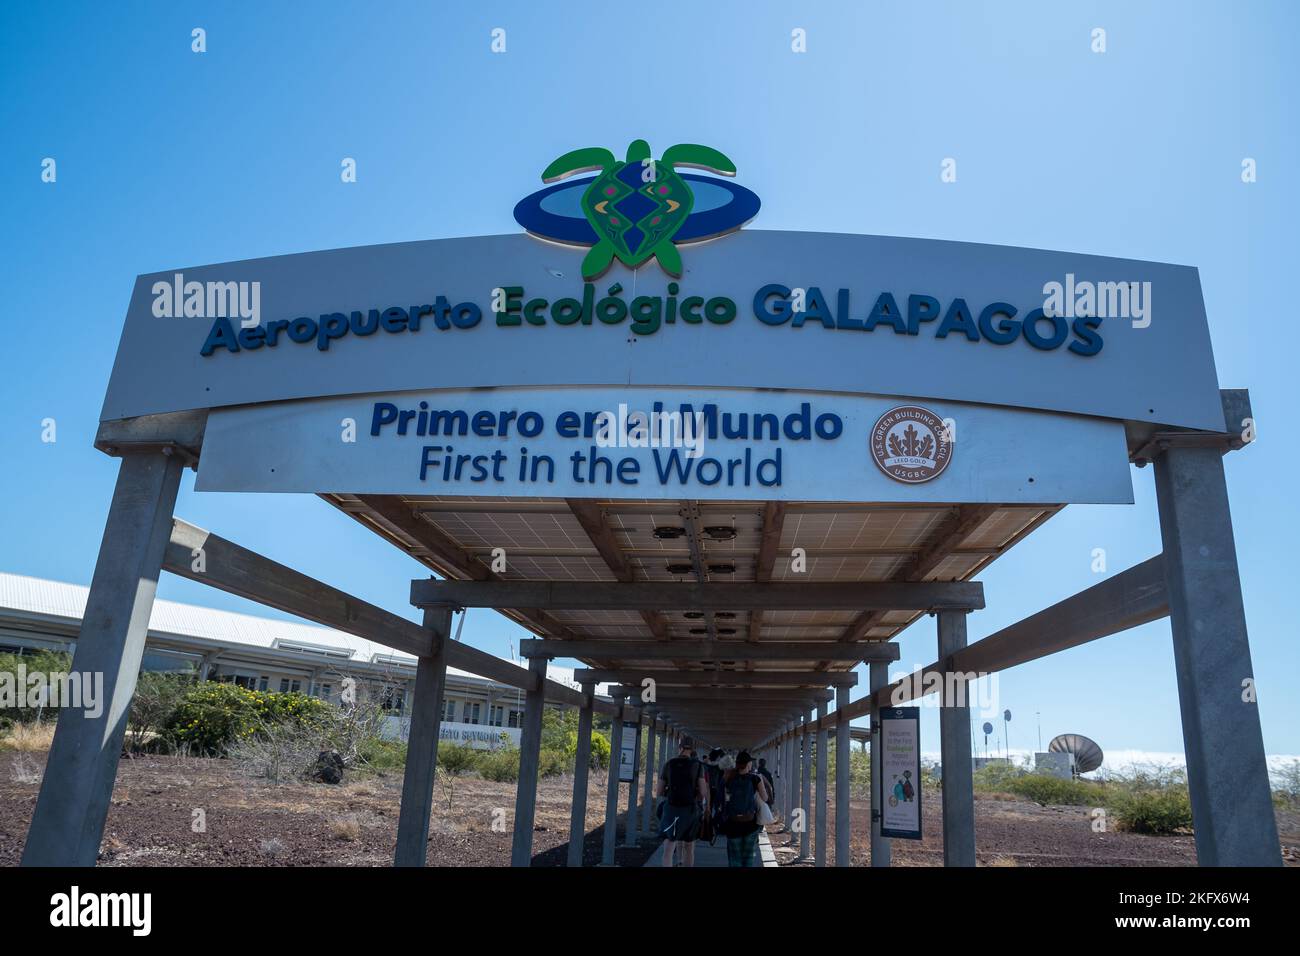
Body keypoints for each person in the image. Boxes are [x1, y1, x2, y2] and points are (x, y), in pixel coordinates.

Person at [658, 736, 708, 867]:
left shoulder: (669, 764)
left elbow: (658, 791)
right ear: (692, 749)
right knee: (689, 848)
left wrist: (669, 792)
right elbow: (703, 792)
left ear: (679, 747)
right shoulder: (698, 766)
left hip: (671, 810)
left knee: (668, 850)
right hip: (689, 810)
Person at [719, 750, 769, 867]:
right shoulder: (755, 779)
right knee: (748, 858)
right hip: (750, 824)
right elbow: (765, 798)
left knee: (734, 858)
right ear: (748, 764)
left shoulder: (728, 777)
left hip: (732, 823)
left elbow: (723, 798)